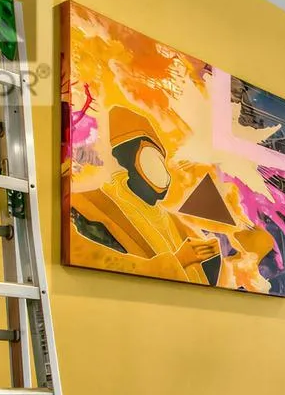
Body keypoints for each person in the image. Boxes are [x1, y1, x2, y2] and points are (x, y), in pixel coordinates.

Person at [68, 105, 222, 283]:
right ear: (126, 162)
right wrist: (178, 261)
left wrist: (211, 264)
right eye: (148, 158)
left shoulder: (176, 224)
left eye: (158, 159)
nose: (159, 171)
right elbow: (100, 268)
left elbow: (197, 285)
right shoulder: (90, 207)